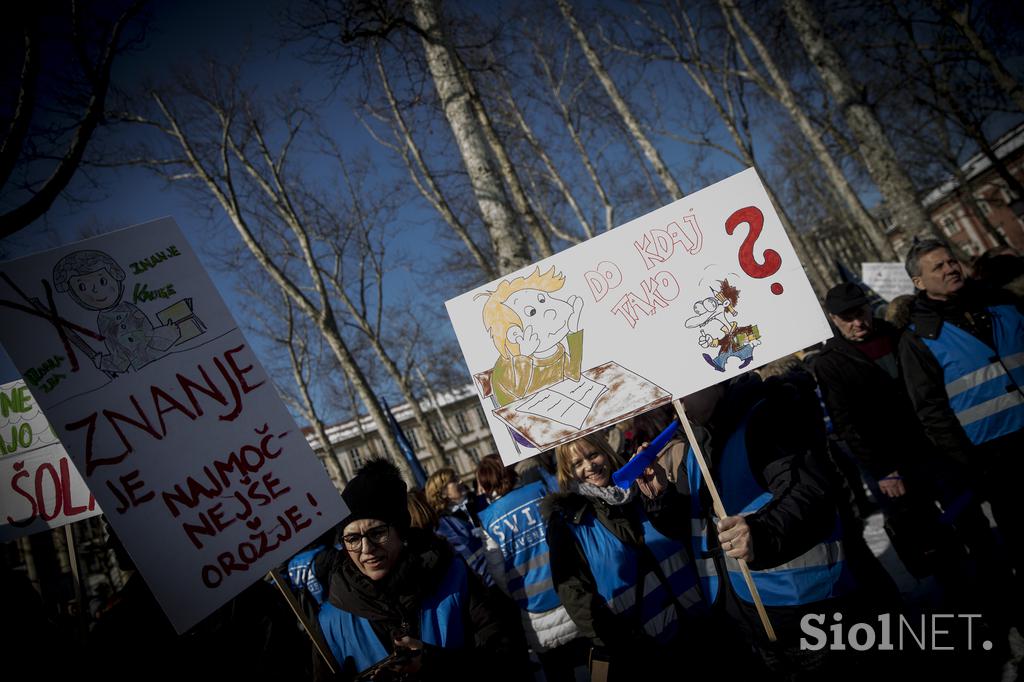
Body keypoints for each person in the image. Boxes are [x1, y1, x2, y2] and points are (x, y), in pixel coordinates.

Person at [679, 373, 865, 680]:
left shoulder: (763, 418)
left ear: (712, 378)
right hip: (759, 614)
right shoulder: (705, 437)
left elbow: (809, 493)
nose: (679, 404)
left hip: (806, 609)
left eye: (683, 391)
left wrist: (760, 532)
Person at [292, 459, 529, 681]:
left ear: (400, 532)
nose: (366, 549)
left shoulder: (452, 577)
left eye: (377, 533)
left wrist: (434, 661)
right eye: (352, 538)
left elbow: (506, 656)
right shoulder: (331, 621)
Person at [899, 239, 1024, 612]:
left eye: (951, 261)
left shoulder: (1003, 304)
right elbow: (931, 412)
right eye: (937, 267)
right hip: (996, 456)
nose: (950, 269)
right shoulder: (918, 338)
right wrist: (970, 463)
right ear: (918, 282)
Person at [542, 432, 706, 678]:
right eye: (577, 463)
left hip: (697, 630)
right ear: (567, 472)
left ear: (606, 452)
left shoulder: (641, 485)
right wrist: (617, 643)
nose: (590, 466)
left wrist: (659, 495)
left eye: (593, 454)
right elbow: (575, 596)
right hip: (641, 654)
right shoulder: (566, 521)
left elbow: (681, 531)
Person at [475, 455, 585, 680]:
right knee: (597, 665)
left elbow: (497, 571)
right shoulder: (538, 490)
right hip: (572, 593)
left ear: (486, 483)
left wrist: (519, 595)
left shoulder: (488, 519)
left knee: (559, 674)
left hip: (534, 608)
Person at [424, 468, 493, 586]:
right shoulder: (443, 525)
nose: (460, 481)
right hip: (486, 583)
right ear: (443, 492)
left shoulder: (480, 501)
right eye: (454, 480)